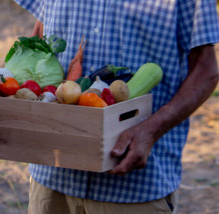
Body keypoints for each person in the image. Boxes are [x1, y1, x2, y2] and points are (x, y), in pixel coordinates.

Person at [13, 0, 219, 213]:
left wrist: (150, 131)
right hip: (52, 177)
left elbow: (206, 70)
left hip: (134, 187)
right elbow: (41, 32)